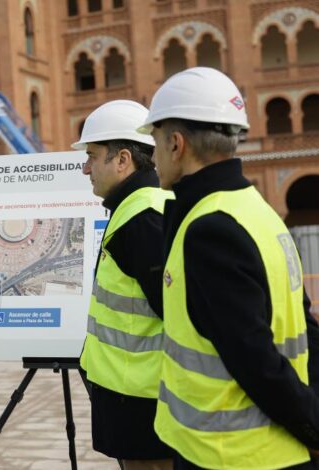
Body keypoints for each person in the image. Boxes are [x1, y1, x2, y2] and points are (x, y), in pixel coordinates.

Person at [139, 66, 319, 469]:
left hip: (232, 455)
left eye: (154, 139)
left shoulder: (210, 229)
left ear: (176, 144)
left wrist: (314, 428)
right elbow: (305, 327)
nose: (152, 155)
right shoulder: (258, 210)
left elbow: (255, 362)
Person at [76, 100, 174, 470]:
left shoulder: (142, 218)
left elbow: (178, 315)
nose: (85, 167)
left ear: (122, 160)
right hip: (132, 398)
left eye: (92, 156)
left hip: (142, 405)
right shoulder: (139, 208)